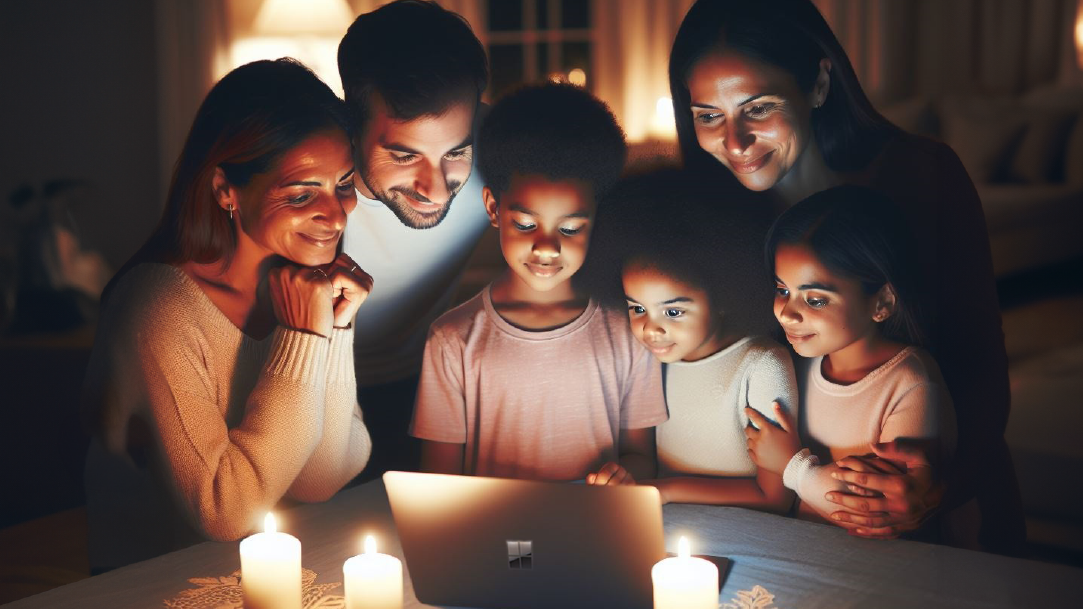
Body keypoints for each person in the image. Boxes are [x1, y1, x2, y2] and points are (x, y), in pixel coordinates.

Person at [669, 0, 1023, 553]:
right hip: (788, 520)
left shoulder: (922, 175)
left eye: (758, 108)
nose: (733, 143)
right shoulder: (706, 215)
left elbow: (982, 362)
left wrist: (939, 487)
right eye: (708, 116)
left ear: (818, 82)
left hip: (938, 514)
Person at [81, 59, 372, 572]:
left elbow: (323, 477)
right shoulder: (157, 306)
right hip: (156, 588)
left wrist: (335, 325)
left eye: (343, 184)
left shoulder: (300, 287)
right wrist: (304, 335)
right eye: (303, 193)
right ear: (225, 190)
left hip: (270, 577)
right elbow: (224, 512)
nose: (337, 213)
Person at [410, 83, 667, 482]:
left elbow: (640, 456)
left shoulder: (628, 329)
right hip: (494, 539)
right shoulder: (453, 339)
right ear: (494, 208)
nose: (546, 248)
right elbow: (438, 482)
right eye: (526, 225)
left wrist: (624, 475)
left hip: (593, 533)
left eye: (570, 228)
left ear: (596, 220)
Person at [336, 0, 490, 479]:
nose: (436, 187)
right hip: (313, 393)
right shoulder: (305, 180)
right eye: (404, 155)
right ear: (351, 128)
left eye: (455, 152)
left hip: (431, 386)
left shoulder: (504, 151)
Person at [748, 186, 956, 530]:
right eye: (783, 290)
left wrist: (791, 465)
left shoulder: (911, 383)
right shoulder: (799, 361)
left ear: (882, 302)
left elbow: (874, 511)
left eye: (815, 300)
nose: (787, 313)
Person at [592, 167, 796, 511]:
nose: (651, 329)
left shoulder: (762, 364)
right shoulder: (652, 361)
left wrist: (664, 491)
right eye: (637, 308)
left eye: (672, 312)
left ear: (723, 296)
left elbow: (775, 498)